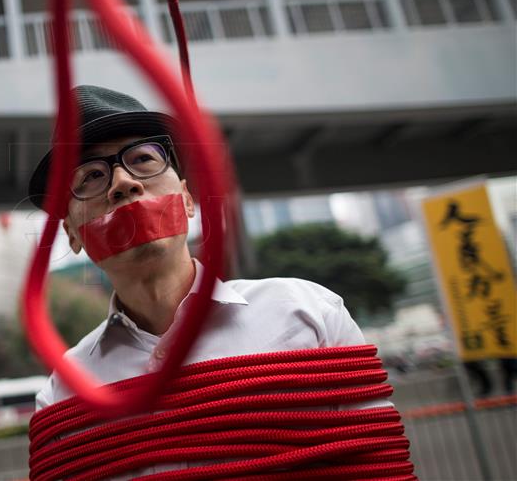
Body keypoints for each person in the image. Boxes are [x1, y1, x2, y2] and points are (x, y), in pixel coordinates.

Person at [28, 85, 382, 411]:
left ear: (185, 199)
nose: (124, 183)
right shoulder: (62, 393)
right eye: (90, 176)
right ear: (72, 233)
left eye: (142, 159)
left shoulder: (309, 313)